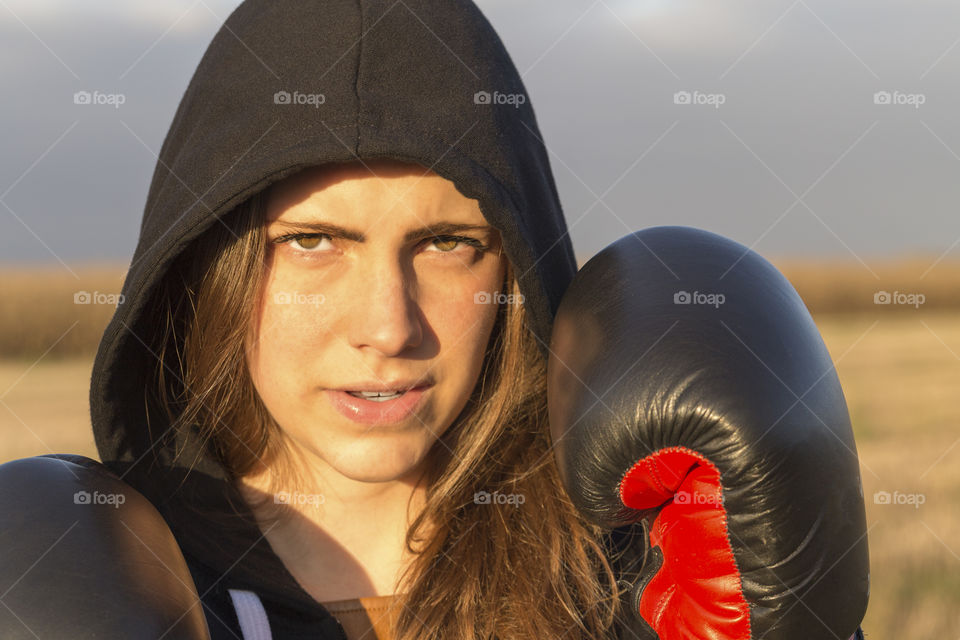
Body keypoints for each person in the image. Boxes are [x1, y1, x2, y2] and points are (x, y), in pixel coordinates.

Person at [84, 0, 626, 638]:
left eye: (448, 244)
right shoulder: (104, 577)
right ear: (209, 269)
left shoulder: (644, 578)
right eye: (312, 242)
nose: (389, 328)